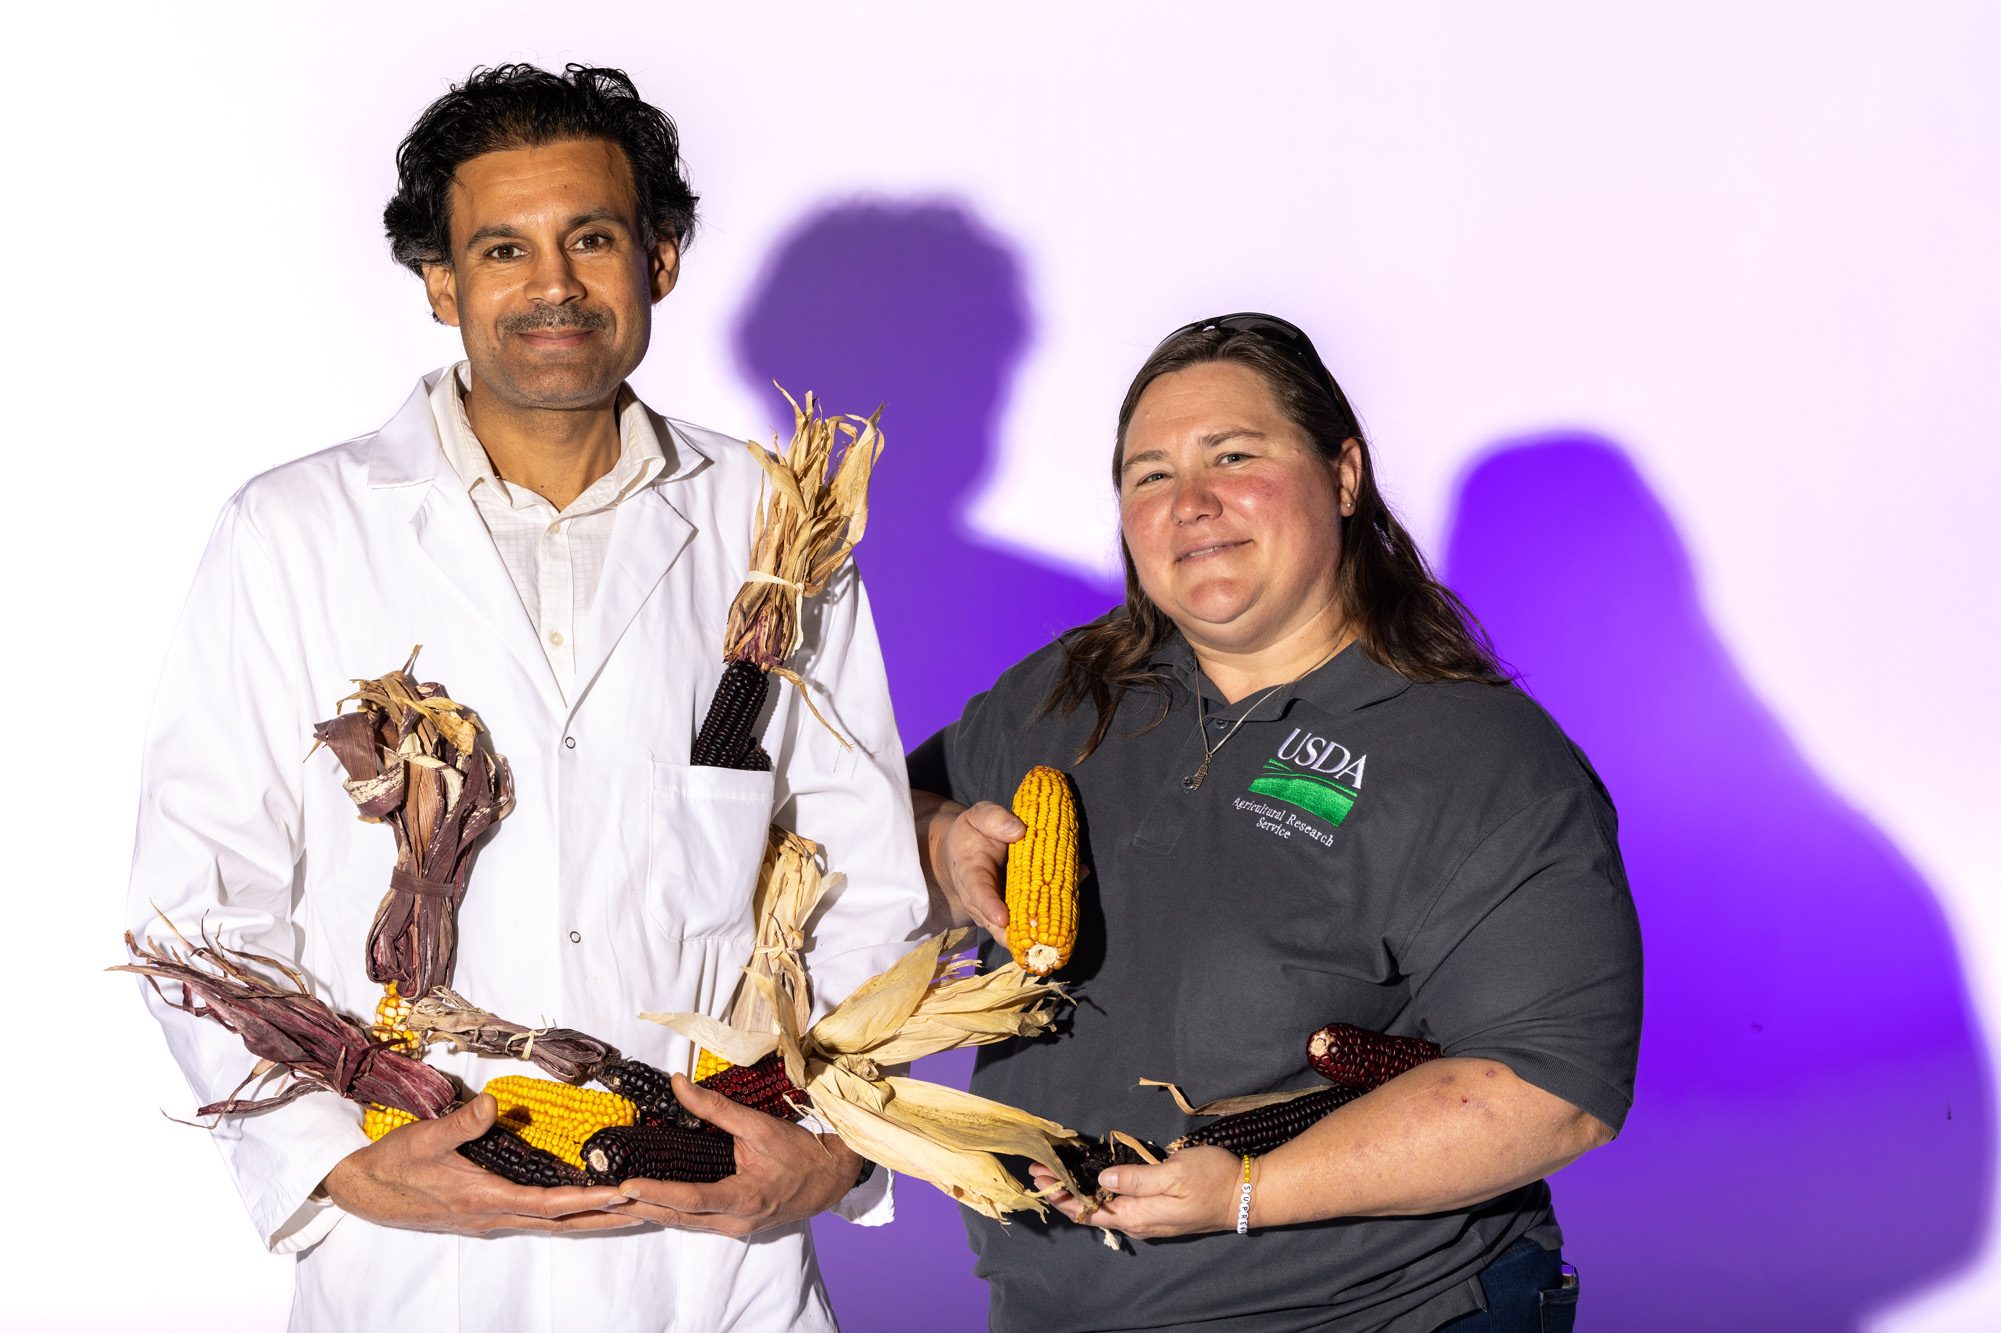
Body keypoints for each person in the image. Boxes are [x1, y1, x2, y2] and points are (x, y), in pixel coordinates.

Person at [127, 64, 927, 1331]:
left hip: (713, 1265)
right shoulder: (293, 532)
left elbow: (866, 870)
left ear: (660, 260)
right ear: (441, 284)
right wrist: (330, 1160)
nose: (552, 284)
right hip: (417, 1269)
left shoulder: (773, 521)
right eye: (502, 247)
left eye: (593, 238)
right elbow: (198, 893)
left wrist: (833, 1145)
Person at [911, 314, 1642, 1332]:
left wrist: (1247, 1192)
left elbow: (1548, 1093)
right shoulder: (1072, 692)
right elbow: (877, 813)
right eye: (1150, 474)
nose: (1191, 504)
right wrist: (940, 834)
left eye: (1236, 455)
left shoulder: (1483, 758)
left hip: (1379, 1311)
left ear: (1344, 475)